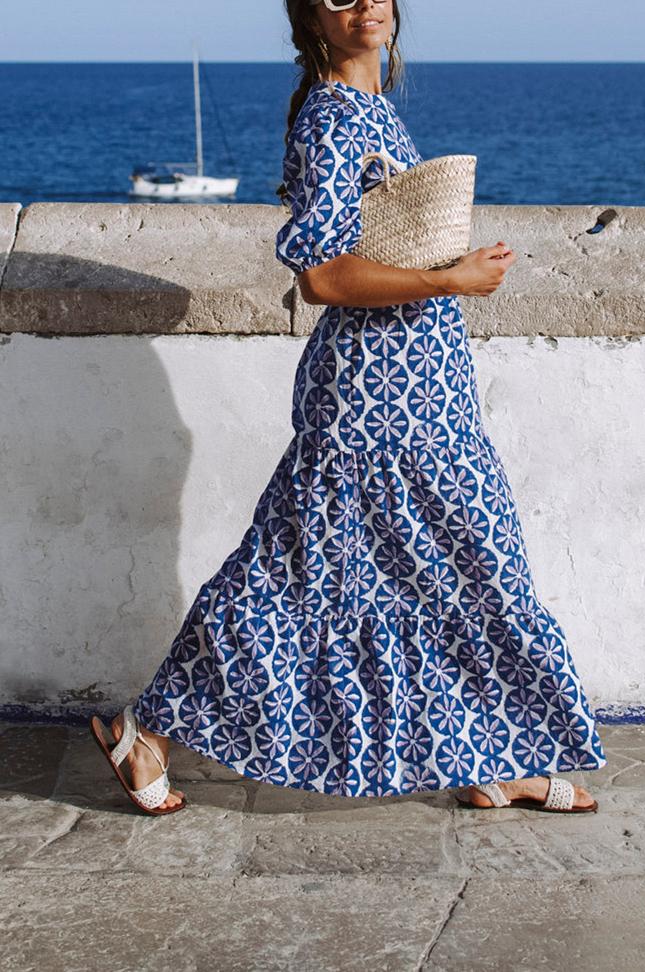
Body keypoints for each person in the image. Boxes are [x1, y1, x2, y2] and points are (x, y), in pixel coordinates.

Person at [91, 0, 606, 815]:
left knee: (454, 576)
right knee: (303, 581)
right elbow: (322, 277)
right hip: (375, 401)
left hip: (421, 391)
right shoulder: (333, 121)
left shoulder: (373, 112)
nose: (362, 3)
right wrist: (450, 278)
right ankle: (144, 728)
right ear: (311, 22)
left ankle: (487, 755)